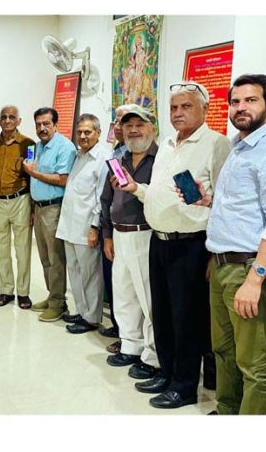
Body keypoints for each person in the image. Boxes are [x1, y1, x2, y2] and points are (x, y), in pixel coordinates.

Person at [124, 81, 231, 409]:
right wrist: (136, 189)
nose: (178, 113)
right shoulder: (167, 143)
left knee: (187, 319)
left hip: (192, 246)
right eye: (173, 108)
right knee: (164, 314)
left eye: (186, 107)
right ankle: (166, 372)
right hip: (159, 241)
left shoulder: (216, 144)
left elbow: (225, 203)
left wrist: (215, 252)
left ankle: (185, 386)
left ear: (205, 109)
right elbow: (160, 190)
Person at [198, 74, 266, 415]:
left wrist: (256, 278)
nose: (241, 107)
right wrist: (210, 201)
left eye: (251, 100)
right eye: (235, 101)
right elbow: (243, 207)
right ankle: (228, 412)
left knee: (252, 361)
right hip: (221, 264)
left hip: (248, 268)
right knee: (224, 351)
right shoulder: (239, 146)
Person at [100, 105, 159, 381]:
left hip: (146, 234)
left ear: (152, 128)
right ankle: (131, 346)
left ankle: (153, 356)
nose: (134, 130)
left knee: (147, 298)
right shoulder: (119, 159)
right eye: (128, 126)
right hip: (119, 235)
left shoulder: (161, 159)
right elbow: (106, 200)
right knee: (123, 295)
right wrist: (107, 235)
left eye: (140, 125)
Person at [55, 113, 111, 334]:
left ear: (98, 132)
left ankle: (92, 317)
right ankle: (81, 310)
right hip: (70, 225)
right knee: (75, 271)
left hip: (87, 227)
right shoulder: (79, 155)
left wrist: (95, 228)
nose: (83, 136)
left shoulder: (103, 157)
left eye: (88, 132)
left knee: (90, 274)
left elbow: (101, 197)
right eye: (79, 132)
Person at [23, 107, 76, 321]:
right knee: (44, 258)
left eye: (46, 124)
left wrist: (33, 172)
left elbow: (62, 179)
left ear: (56, 124)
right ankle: (52, 295)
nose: (42, 128)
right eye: (38, 124)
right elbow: (29, 172)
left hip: (54, 209)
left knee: (56, 259)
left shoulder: (66, 147)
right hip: (38, 207)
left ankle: (58, 304)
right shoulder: (35, 147)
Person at [0, 105, 36, 309]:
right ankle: (6, 290)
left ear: (19, 121)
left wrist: (33, 207)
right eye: (4, 117)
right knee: (1, 248)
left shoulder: (29, 144)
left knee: (23, 248)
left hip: (20, 200)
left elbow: (32, 175)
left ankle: (23, 293)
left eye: (12, 117)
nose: (8, 120)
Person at [101, 104, 135, 354]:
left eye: (130, 122)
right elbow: (106, 197)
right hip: (114, 228)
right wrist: (105, 232)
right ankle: (121, 331)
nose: (122, 127)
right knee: (118, 287)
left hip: (139, 231)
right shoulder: (117, 154)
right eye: (120, 121)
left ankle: (132, 341)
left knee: (136, 293)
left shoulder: (146, 155)